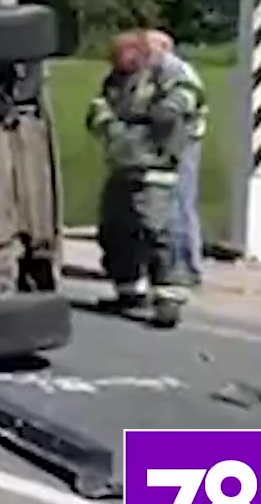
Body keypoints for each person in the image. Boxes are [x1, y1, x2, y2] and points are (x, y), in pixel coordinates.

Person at [86, 30, 200, 328]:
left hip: (156, 164)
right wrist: (109, 126)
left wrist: (155, 120)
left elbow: (184, 101)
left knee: (159, 230)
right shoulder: (116, 78)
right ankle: (129, 289)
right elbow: (99, 106)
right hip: (122, 163)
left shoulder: (170, 73)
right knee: (117, 228)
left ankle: (169, 296)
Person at [142, 29, 207, 284]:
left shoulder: (178, 72)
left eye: (149, 49)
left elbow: (186, 102)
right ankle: (165, 263)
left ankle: (188, 265)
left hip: (184, 141)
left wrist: (158, 113)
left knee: (180, 200)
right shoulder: (153, 72)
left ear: (164, 48)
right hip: (164, 141)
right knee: (163, 201)